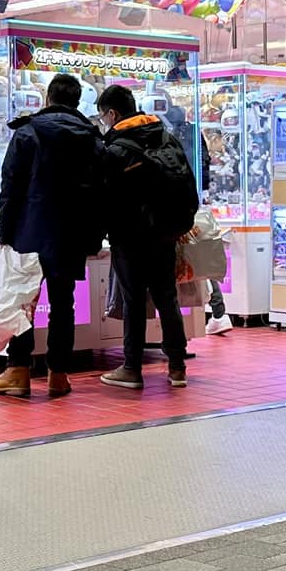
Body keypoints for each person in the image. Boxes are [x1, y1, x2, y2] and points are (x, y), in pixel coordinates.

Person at [0, 74, 103, 399]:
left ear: (48, 98)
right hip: (70, 235)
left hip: (29, 232)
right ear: (77, 101)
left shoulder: (27, 132)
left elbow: (10, 186)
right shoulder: (91, 139)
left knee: (23, 301)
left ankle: (18, 370)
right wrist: (93, 238)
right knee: (64, 303)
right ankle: (58, 375)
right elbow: (99, 194)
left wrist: (4, 231)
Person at [95, 85, 198, 390]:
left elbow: (105, 196)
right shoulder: (165, 137)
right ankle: (177, 367)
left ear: (112, 114)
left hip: (130, 235)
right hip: (166, 231)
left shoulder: (116, 149)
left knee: (134, 301)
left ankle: (131, 368)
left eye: (103, 117)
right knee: (167, 297)